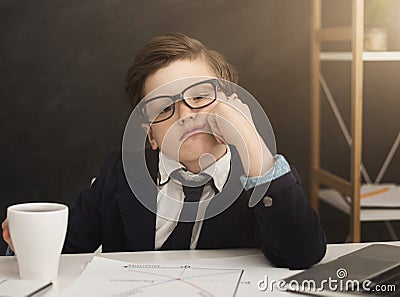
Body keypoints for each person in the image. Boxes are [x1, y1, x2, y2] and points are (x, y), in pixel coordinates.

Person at [2, 32, 326, 269]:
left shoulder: (261, 175)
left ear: (233, 104)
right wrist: (25, 244)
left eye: (200, 96)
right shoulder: (119, 175)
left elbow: (302, 253)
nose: (186, 115)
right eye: (164, 108)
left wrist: (251, 139)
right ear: (151, 135)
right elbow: (64, 249)